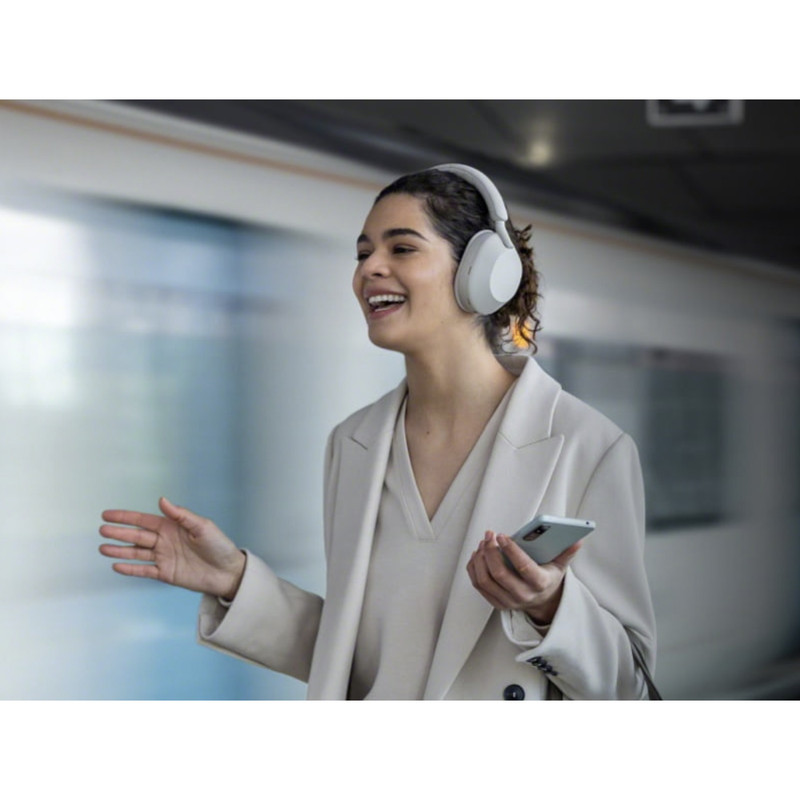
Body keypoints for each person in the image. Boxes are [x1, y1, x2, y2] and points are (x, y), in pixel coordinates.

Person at [99, 164, 656, 700]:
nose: (370, 269)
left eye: (402, 248)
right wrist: (235, 582)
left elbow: (629, 689)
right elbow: (358, 660)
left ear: (483, 273)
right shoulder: (354, 444)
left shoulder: (589, 447)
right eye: (363, 253)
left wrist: (550, 607)